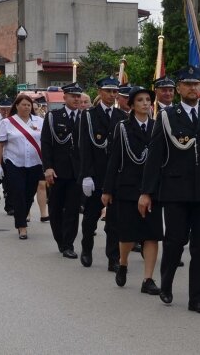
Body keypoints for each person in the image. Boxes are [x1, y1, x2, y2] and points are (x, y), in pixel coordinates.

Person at [140, 65, 200, 314]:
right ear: (178, 88)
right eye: (187, 84)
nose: (192, 88)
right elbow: (155, 157)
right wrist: (147, 192)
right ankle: (166, 283)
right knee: (175, 241)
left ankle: (197, 298)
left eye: (195, 84)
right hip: (175, 191)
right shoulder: (167, 117)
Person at [102, 86, 162, 293]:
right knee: (127, 235)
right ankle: (124, 262)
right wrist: (107, 189)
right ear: (132, 105)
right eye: (140, 100)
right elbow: (114, 159)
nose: (145, 103)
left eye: (148, 100)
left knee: (151, 234)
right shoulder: (122, 127)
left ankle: (148, 279)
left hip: (152, 188)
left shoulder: (158, 126)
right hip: (127, 187)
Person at [79, 76, 127, 269]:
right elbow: (85, 147)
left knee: (114, 220)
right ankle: (86, 249)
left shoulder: (122, 116)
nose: (112, 95)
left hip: (115, 176)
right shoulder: (89, 115)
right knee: (91, 216)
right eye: (108, 91)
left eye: (115, 91)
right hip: (96, 174)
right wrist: (86, 175)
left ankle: (113, 258)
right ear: (99, 92)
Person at [41, 83, 83, 258]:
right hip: (58, 170)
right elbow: (46, 144)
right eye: (73, 96)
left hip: (77, 172)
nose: (76, 99)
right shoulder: (53, 116)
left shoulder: (85, 117)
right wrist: (48, 168)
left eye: (78, 96)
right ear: (64, 97)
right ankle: (60, 239)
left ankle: (69, 243)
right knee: (56, 208)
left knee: (73, 209)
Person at [0, 94, 44, 240]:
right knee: (18, 192)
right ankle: (22, 226)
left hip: (35, 163)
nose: (26, 107)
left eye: (29, 105)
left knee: (29, 194)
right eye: (23, 104)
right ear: (16, 106)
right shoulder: (7, 123)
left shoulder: (40, 121)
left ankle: (22, 214)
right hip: (14, 163)